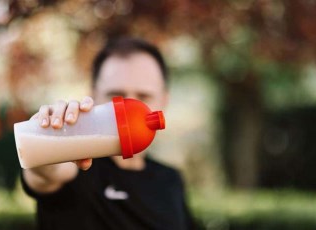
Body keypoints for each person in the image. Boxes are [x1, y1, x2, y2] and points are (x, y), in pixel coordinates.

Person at [21, 37, 199, 230]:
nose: (131, 108)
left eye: (144, 96)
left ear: (163, 101)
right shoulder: (77, 165)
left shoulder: (169, 180)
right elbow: (48, 171)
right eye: (116, 96)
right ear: (93, 95)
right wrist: (47, 135)